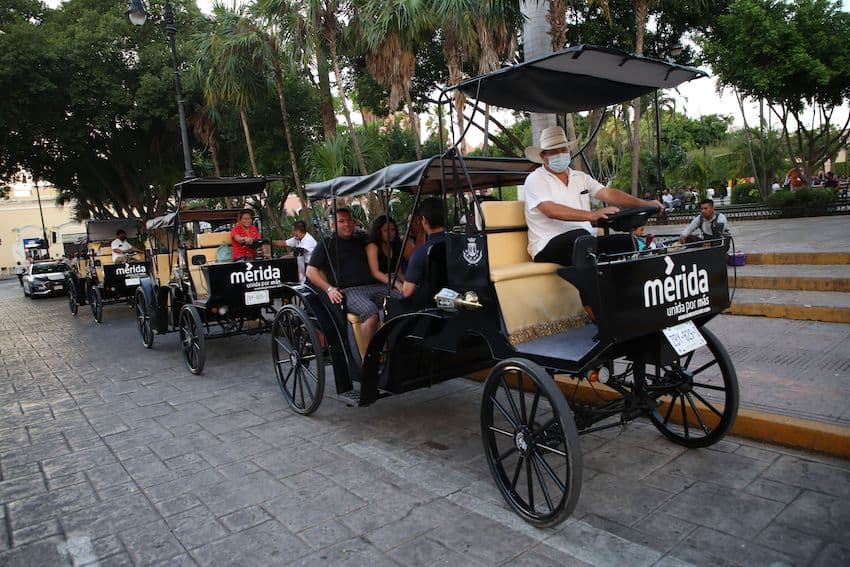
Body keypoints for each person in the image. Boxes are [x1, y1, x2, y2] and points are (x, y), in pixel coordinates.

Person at [522, 126, 663, 265]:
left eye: (563, 150)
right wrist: (592, 215)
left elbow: (608, 194)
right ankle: (595, 286)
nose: (560, 155)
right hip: (547, 245)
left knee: (627, 242)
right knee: (580, 237)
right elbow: (551, 210)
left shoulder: (580, 177)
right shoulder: (535, 179)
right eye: (554, 152)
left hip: (585, 241)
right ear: (543, 156)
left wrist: (644, 204)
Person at [306, 208, 388, 346]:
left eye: (349, 220)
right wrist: (329, 289)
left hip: (374, 286)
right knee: (370, 312)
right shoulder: (326, 244)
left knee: (401, 301)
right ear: (333, 225)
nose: (347, 224)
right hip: (349, 290)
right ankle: (368, 362)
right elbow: (310, 271)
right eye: (342, 221)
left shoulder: (361, 239)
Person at [402, 198, 446, 298]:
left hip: (430, 305)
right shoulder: (458, 244)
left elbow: (406, 292)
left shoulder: (421, 253)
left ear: (424, 220)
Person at [366, 215, 404, 293]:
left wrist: (407, 283)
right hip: (380, 282)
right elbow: (375, 272)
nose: (391, 233)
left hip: (395, 280)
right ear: (379, 231)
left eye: (393, 230)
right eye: (386, 230)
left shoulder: (395, 245)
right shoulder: (373, 246)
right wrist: (396, 284)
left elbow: (399, 272)